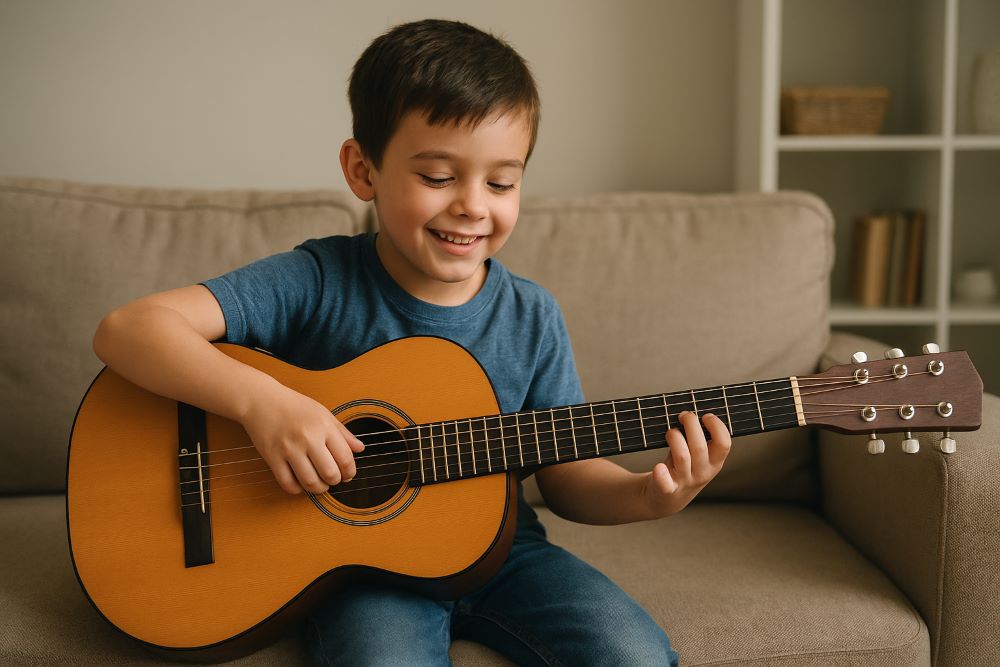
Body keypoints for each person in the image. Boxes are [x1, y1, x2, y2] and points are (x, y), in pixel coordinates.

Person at [93, 18, 731, 666]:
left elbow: (564, 477)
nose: (473, 206)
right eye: (437, 176)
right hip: (364, 572)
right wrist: (265, 404)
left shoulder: (531, 315)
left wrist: (648, 495)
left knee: (636, 656)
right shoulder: (316, 279)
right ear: (362, 169)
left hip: (506, 553)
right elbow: (128, 329)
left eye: (501, 182)